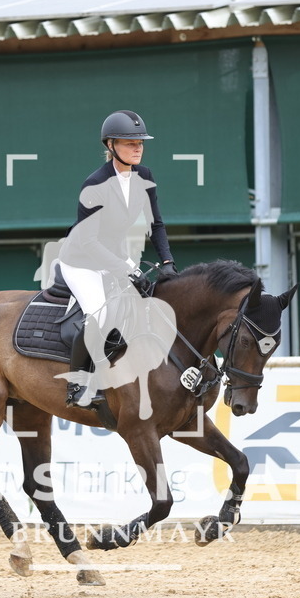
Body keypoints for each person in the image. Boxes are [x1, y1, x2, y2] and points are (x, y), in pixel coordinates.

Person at [56, 110, 178, 410]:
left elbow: (157, 224)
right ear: (111, 145)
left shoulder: (145, 176)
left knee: (146, 302)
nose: (138, 148)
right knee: (99, 314)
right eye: (130, 143)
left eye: (141, 142)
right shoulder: (94, 184)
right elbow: (88, 241)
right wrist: (125, 268)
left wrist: (167, 262)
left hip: (113, 254)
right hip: (81, 260)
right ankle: (76, 385)